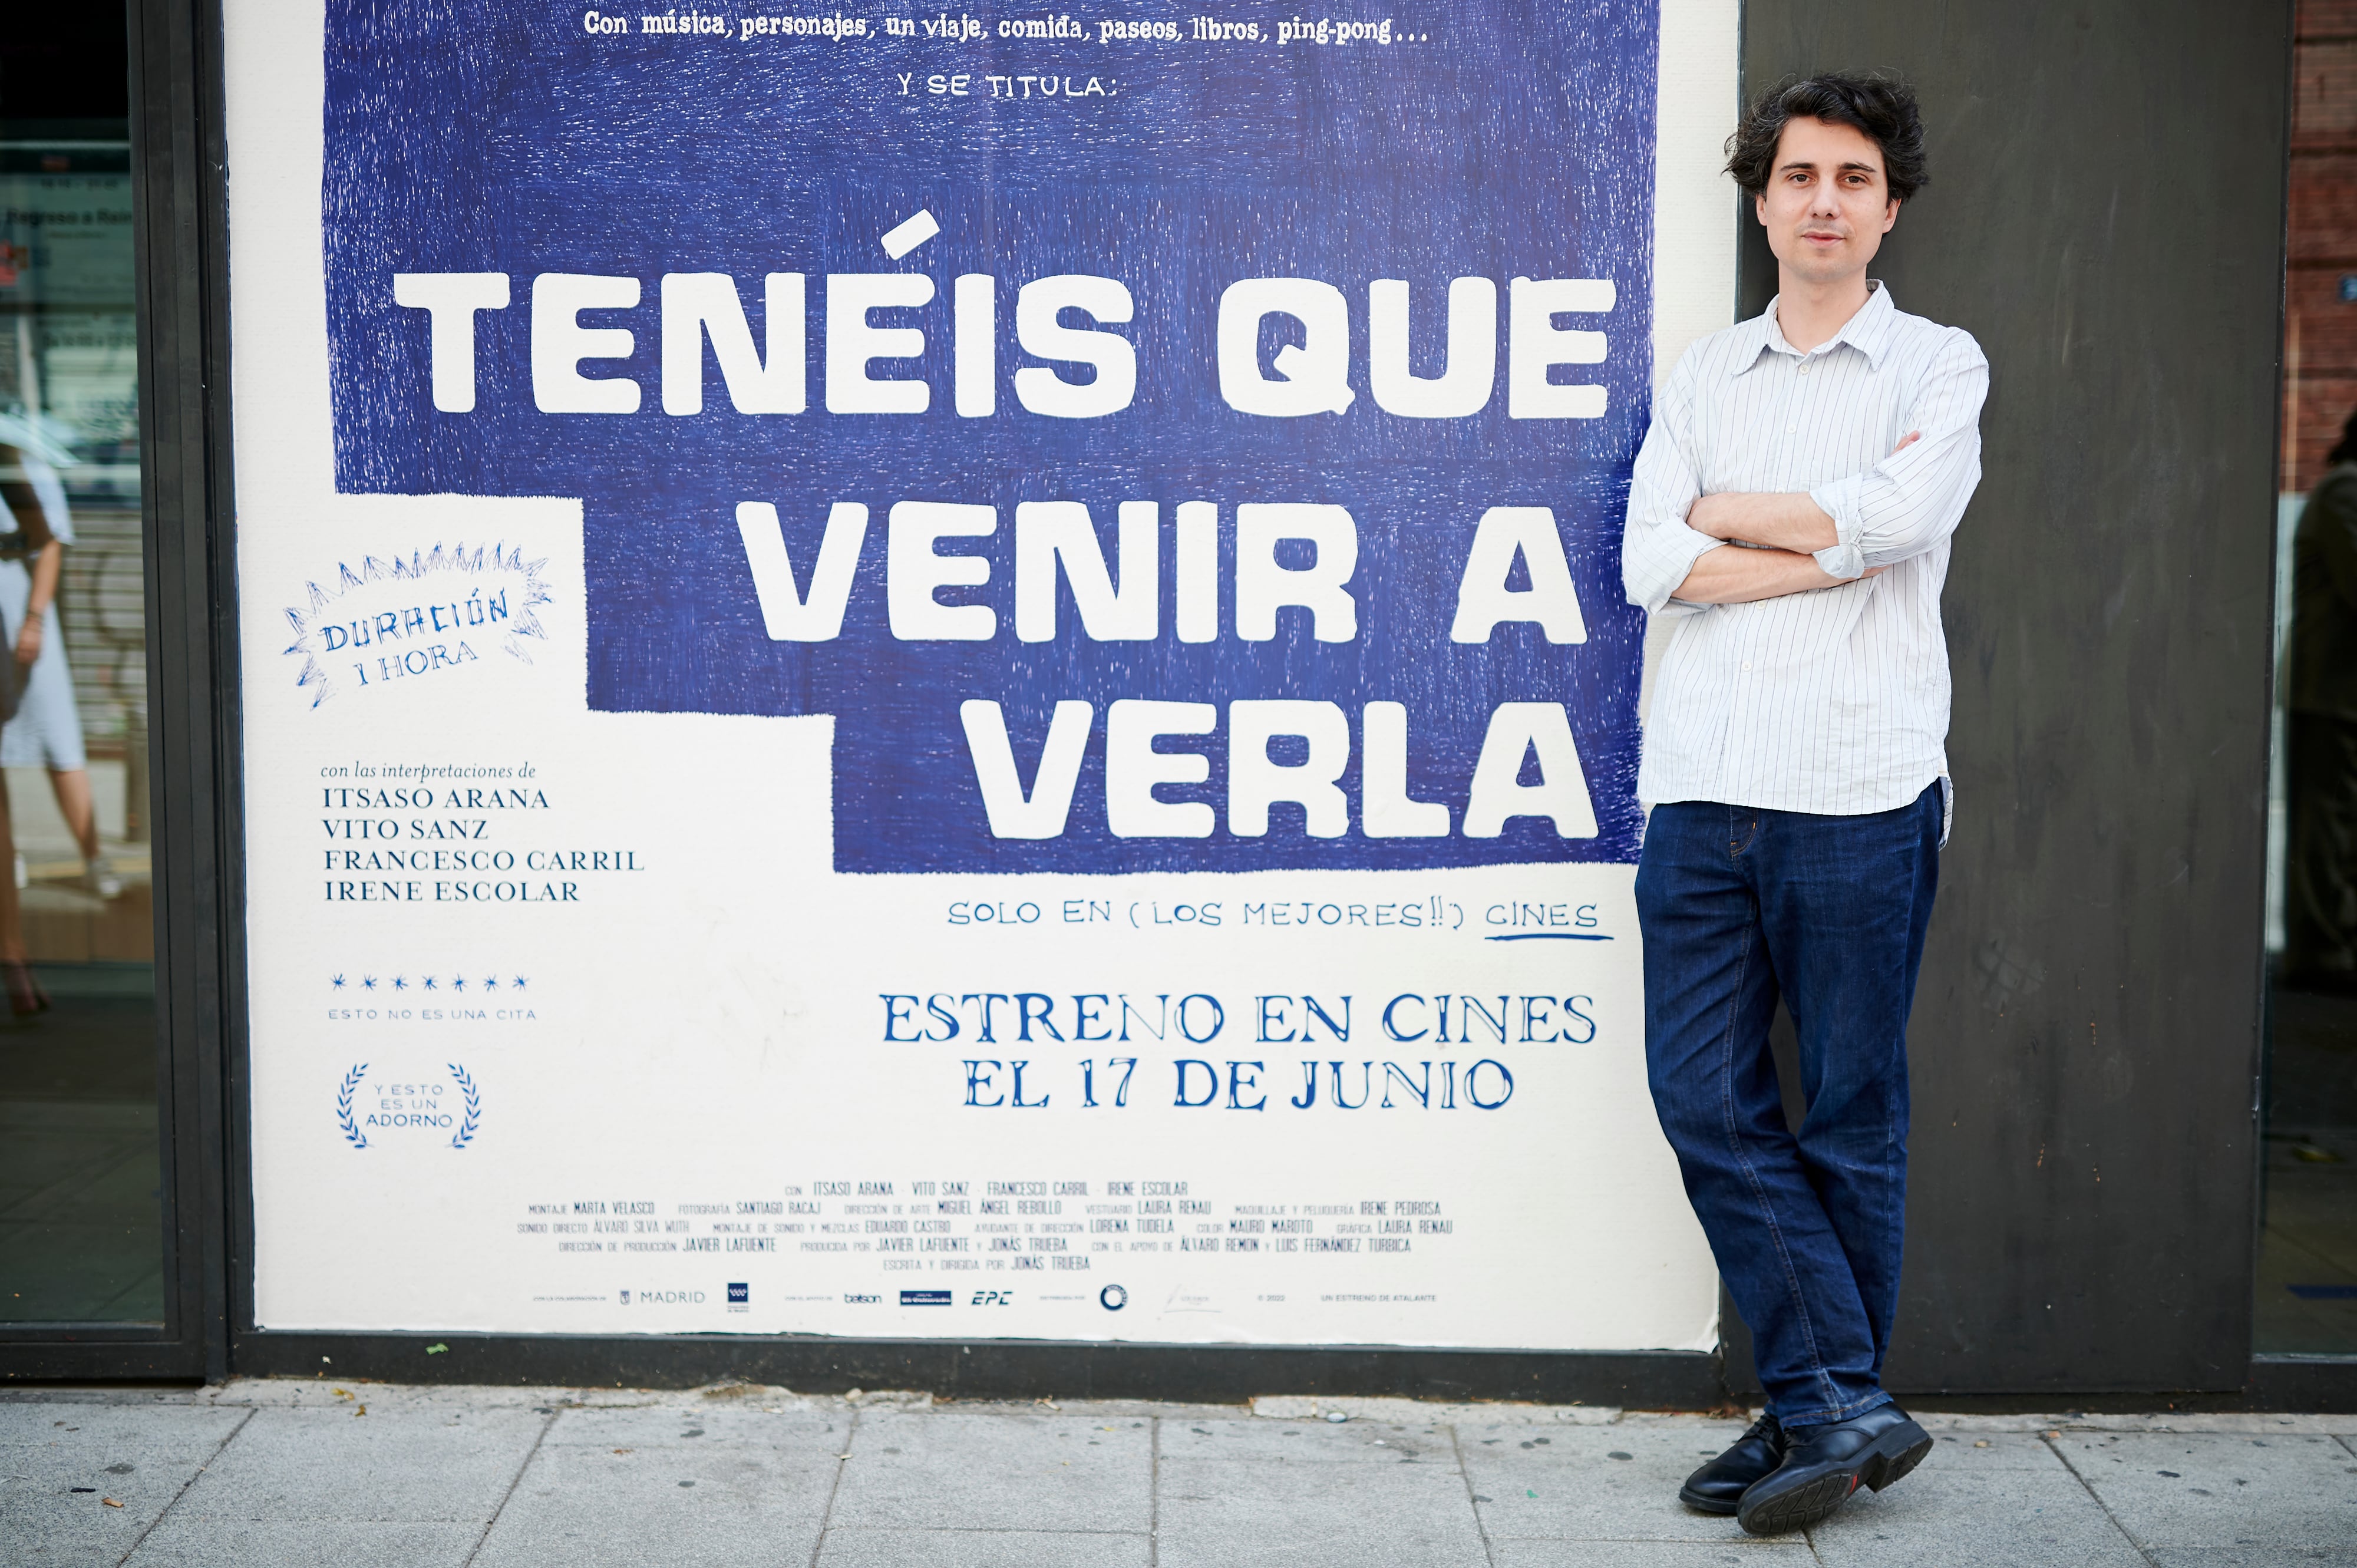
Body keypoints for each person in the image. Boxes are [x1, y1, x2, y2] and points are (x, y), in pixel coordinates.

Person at [1620, 74, 1988, 1537]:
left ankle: (1808, 1407)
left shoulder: (1938, 366)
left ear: (1886, 206)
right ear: (1760, 200)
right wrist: (1829, 535)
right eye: (1796, 177)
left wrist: (1738, 514)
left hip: (1857, 785)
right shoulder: (1704, 374)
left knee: (1843, 1115)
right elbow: (1653, 556)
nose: (1822, 200)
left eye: (1850, 178)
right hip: (1702, 783)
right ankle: (1832, 1399)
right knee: (1702, 1095)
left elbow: (1904, 521)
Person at [2285, 411, 2357, 993]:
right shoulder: (2345, 489)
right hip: (2328, 690)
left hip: (2339, 689)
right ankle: (2319, 947)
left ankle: (2331, 940)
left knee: (2337, 821)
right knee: (2325, 822)